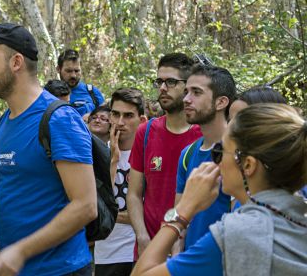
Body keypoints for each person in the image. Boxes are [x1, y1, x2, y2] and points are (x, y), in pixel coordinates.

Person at [0, 23, 97, 276]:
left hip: (61, 270)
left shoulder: (59, 119)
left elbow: (86, 205)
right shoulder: (5, 121)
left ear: (16, 62)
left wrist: (20, 251)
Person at [132, 103, 307, 276]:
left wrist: (182, 211)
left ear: (247, 164)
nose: (216, 160)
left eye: (220, 150)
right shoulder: (297, 218)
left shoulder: (237, 235)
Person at [127, 53, 202, 258]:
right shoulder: (146, 132)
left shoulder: (204, 136)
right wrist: (141, 237)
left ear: (188, 86)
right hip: (148, 249)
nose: (162, 88)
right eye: (159, 81)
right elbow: (134, 193)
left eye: (170, 82)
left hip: (190, 252)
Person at [176, 65, 236, 251]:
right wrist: (177, 255)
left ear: (221, 102)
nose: (186, 99)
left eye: (196, 92)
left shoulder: (239, 153)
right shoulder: (187, 154)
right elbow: (179, 214)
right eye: (186, 92)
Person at [95, 88, 147, 276]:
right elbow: (96, 209)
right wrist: (113, 160)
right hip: (107, 255)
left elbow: (151, 210)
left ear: (142, 120)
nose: (120, 122)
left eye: (128, 116)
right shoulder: (97, 153)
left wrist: (114, 215)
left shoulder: (149, 155)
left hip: (141, 251)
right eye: (115, 114)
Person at [57, 49, 105, 116]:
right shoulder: (49, 94)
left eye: (77, 71)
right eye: (68, 71)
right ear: (58, 69)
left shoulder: (92, 92)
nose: (73, 75)